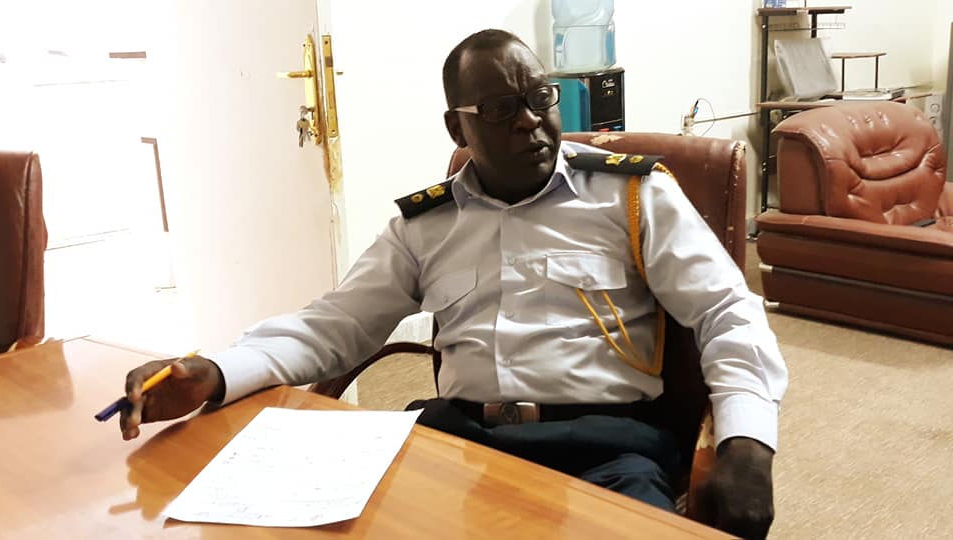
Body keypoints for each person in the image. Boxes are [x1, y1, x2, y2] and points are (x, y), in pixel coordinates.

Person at [119, 29, 788, 539]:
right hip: (458, 446)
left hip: (608, 450)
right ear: (457, 127)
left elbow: (727, 311)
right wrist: (215, 371)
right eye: (500, 108)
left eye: (540, 99)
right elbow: (335, 326)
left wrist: (747, 444)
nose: (529, 121)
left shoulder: (632, 195)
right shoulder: (426, 225)